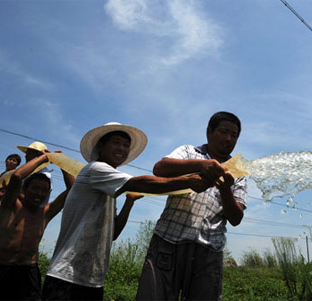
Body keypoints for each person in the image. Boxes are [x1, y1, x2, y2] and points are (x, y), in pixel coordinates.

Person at [41, 122, 212, 301]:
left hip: (92, 280)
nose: (122, 148)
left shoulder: (107, 186)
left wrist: (129, 202)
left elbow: (113, 233)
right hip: (66, 275)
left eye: (125, 145)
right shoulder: (96, 169)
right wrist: (188, 181)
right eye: (116, 142)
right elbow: (141, 183)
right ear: (101, 145)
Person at [136, 111, 247, 301]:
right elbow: (160, 168)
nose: (229, 138)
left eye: (234, 135)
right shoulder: (189, 152)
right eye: (223, 131)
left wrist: (225, 189)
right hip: (168, 243)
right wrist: (200, 166)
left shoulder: (238, 172)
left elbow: (236, 219)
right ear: (209, 132)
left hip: (209, 250)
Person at [0, 151, 74, 300]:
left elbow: (72, 189)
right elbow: (17, 176)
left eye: (44, 190)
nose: (39, 193)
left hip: (27, 272)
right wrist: (44, 158)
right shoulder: (11, 206)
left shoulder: (45, 213)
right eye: (35, 188)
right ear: (24, 190)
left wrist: (61, 162)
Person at [17, 142, 54, 206]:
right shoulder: (27, 171)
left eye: (29, 153)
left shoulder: (44, 174)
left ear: (38, 155)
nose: (26, 156)